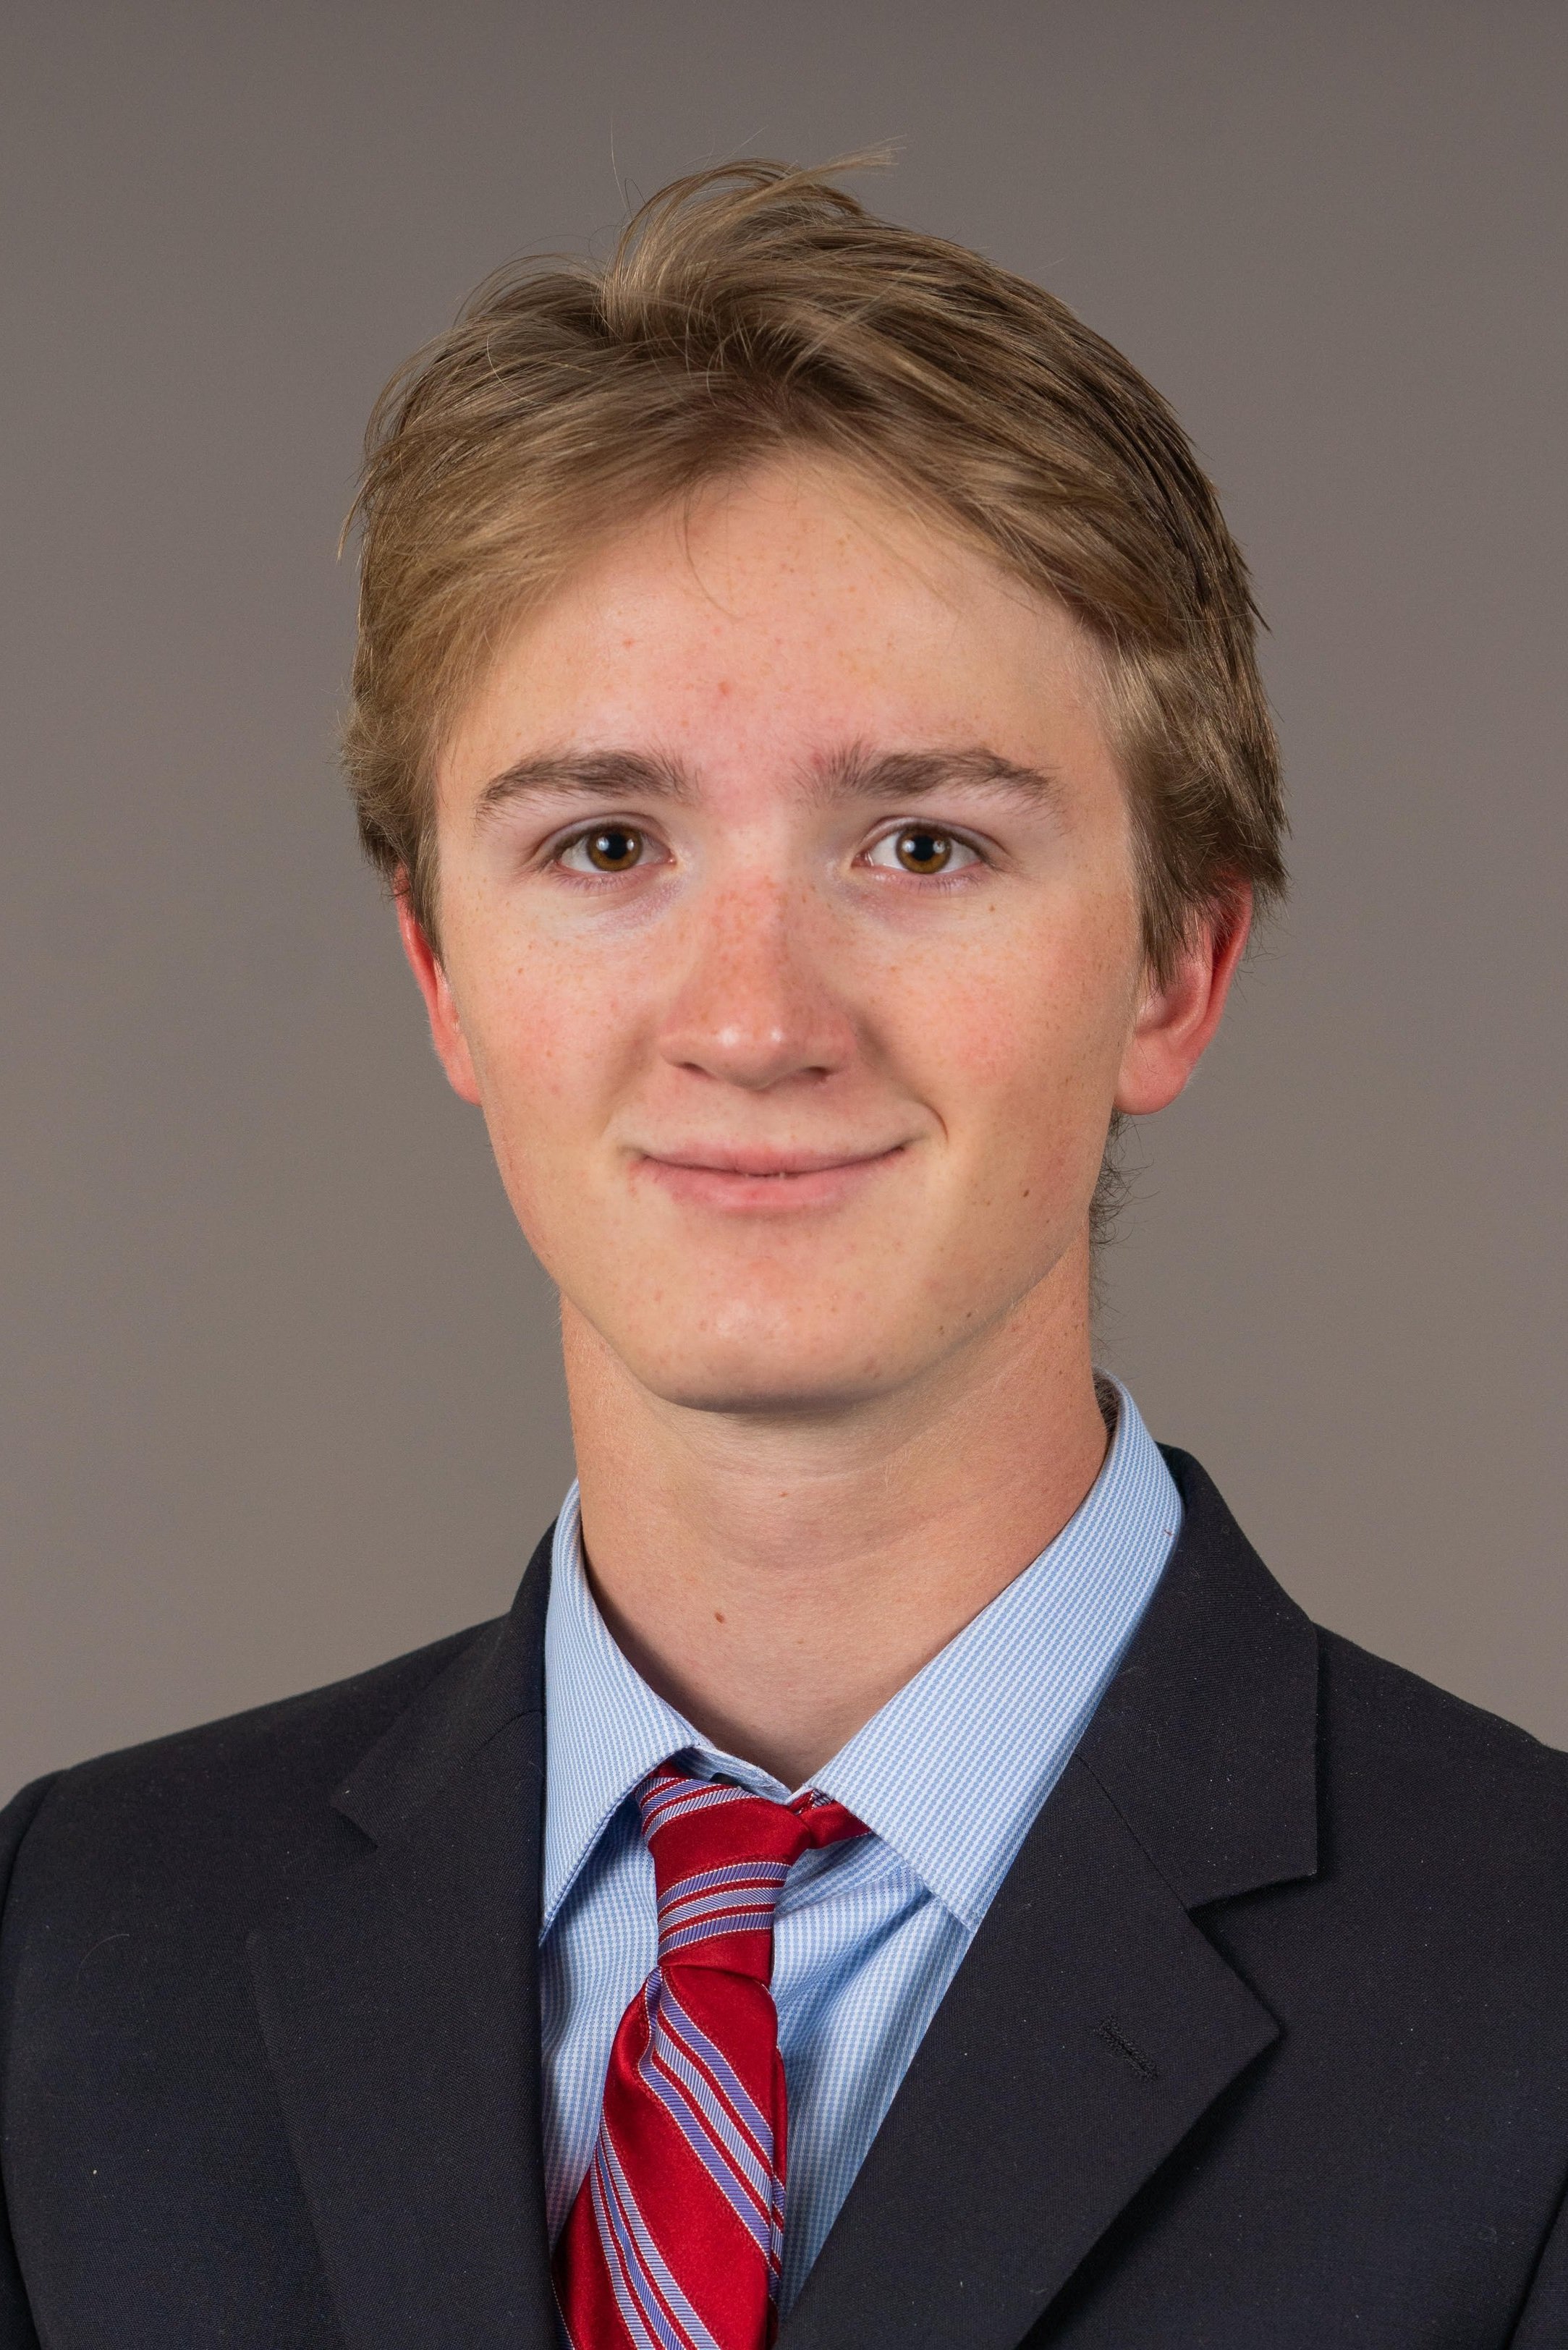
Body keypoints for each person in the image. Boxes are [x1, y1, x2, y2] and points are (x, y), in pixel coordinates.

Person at [1, 160, 1564, 2350]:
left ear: (1174, 971)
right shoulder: (72, 1954)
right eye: (606, 843)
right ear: (444, 971)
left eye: (922, 843)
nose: (752, 1017)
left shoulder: (1536, 2000)